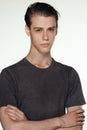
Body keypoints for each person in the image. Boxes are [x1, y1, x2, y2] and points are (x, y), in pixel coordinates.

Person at [0, 2, 86, 130]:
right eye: (38, 30)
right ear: (28, 30)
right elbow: (11, 127)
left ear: (56, 30)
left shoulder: (69, 74)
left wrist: (27, 124)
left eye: (50, 29)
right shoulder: (9, 75)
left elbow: (76, 128)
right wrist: (61, 121)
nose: (45, 37)